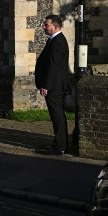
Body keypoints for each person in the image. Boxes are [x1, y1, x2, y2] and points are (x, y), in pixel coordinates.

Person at [34, 14, 71, 155]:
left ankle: (60, 147)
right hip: (54, 85)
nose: (44, 27)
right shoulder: (54, 40)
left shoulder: (58, 42)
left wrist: (46, 86)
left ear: (55, 27)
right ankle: (58, 144)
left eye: (46, 25)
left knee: (57, 116)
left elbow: (53, 66)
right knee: (56, 115)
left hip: (54, 86)